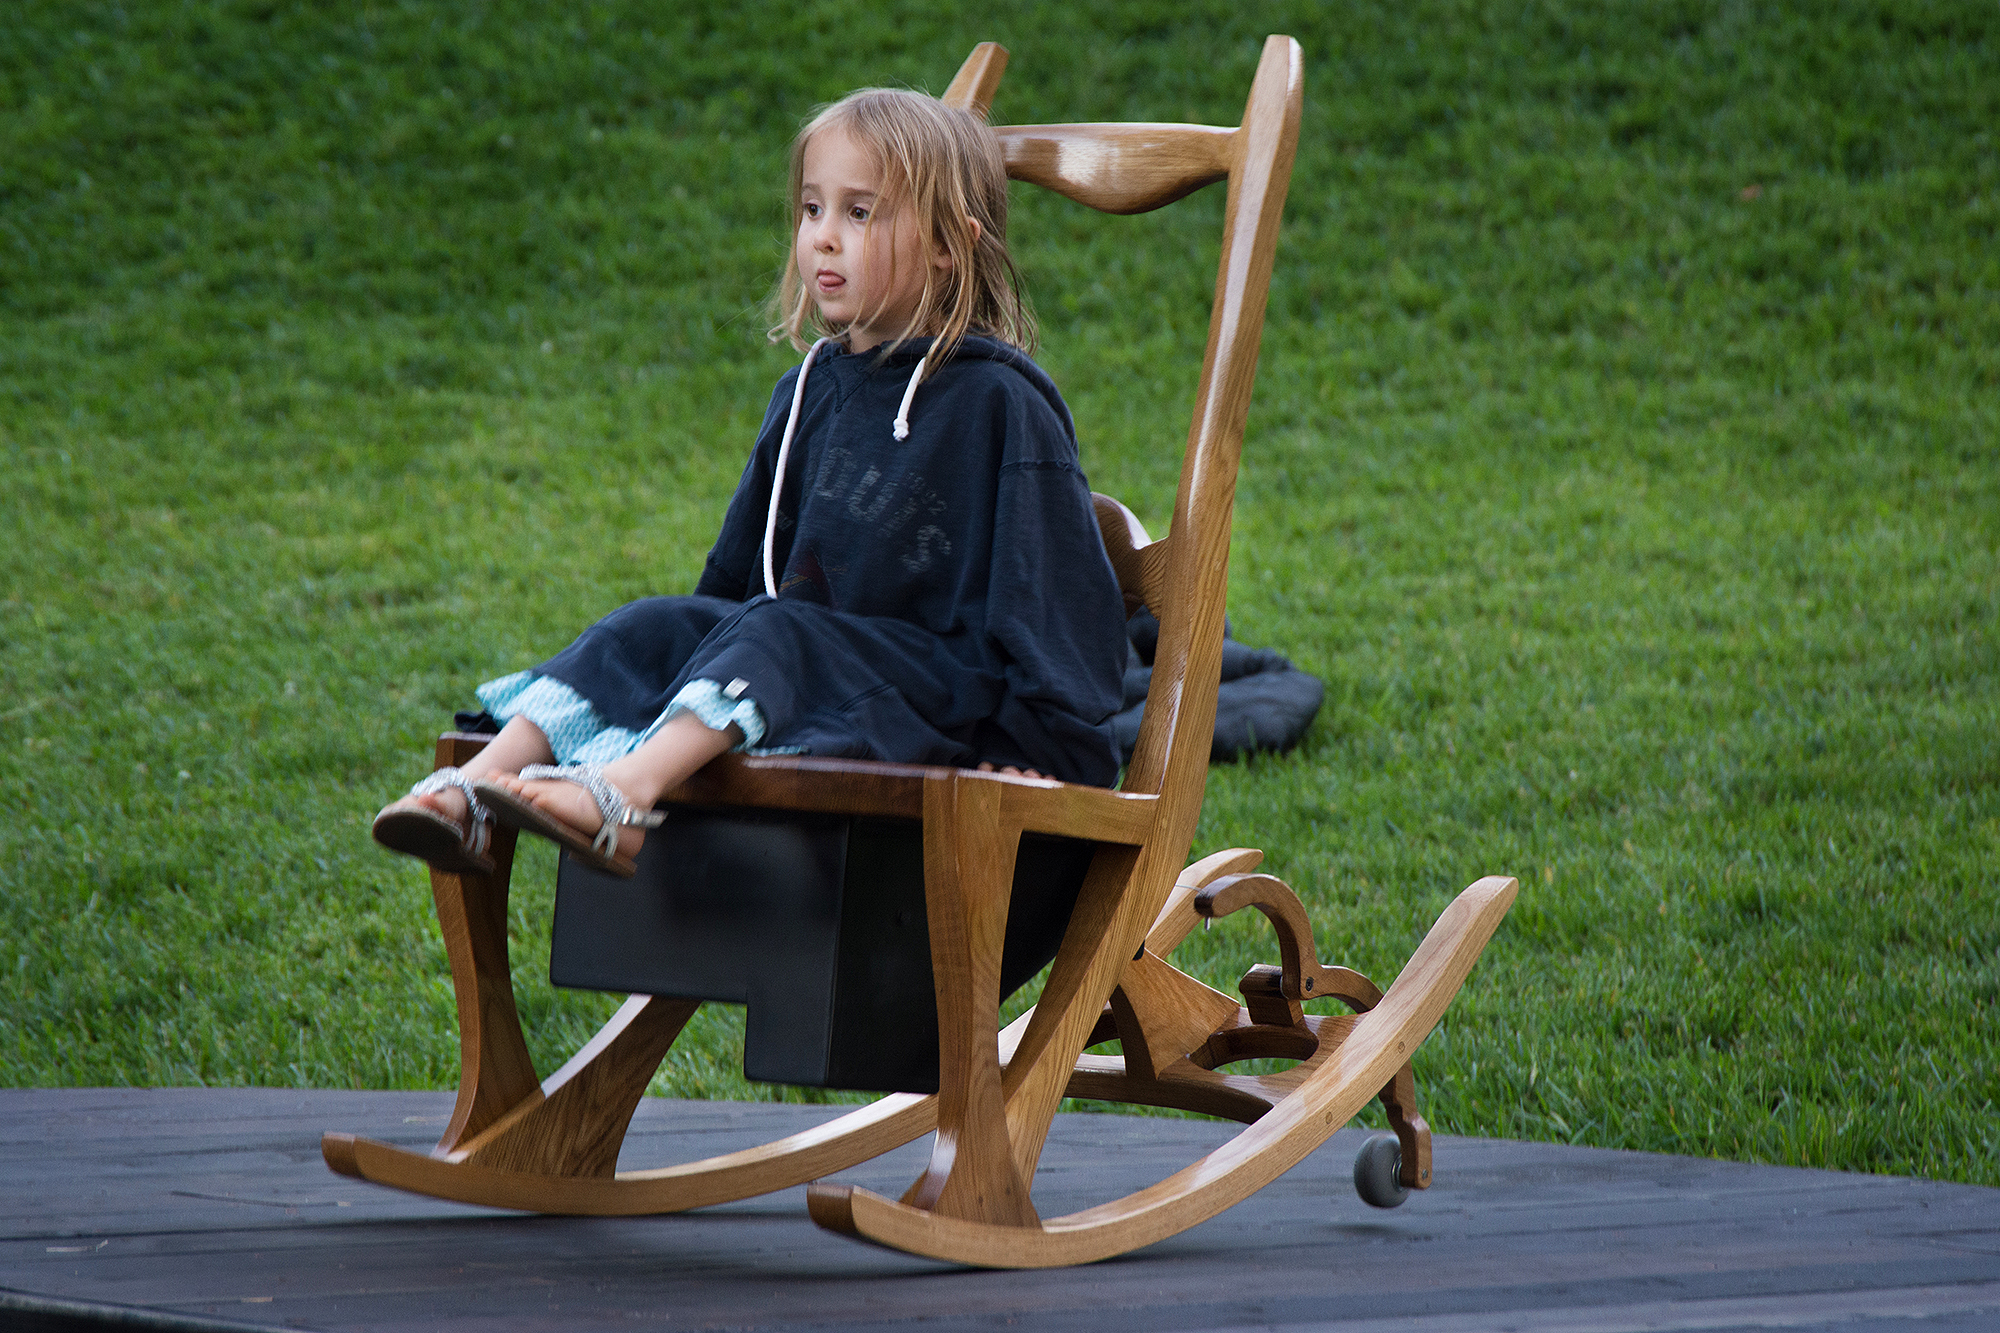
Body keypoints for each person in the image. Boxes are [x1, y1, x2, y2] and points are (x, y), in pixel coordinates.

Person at [370, 87, 1127, 878]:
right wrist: (693, 650)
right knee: (652, 624)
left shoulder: (1001, 403)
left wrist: (1037, 753)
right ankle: (481, 783)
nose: (824, 238)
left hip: (942, 698)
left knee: (778, 629)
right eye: (811, 209)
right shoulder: (809, 391)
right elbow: (735, 585)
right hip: (817, 671)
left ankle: (623, 797)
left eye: (860, 213)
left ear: (948, 246)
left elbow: (1057, 606)